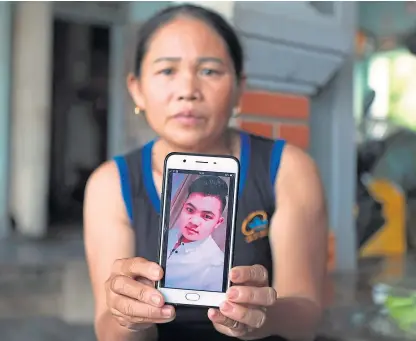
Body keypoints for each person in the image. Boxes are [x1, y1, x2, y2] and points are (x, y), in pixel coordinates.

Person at [84, 3, 328, 341]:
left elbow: (306, 318)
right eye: (167, 71)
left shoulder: (290, 169)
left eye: (210, 71)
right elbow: (109, 332)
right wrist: (129, 318)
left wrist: (262, 316)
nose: (188, 91)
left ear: (239, 89)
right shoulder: (109, 184)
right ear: (137, 88)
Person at [165, 175, 228, 292]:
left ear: (218, 222)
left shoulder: (217, 267)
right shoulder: (168, 235)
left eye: (207, 216)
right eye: (190, 210)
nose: (194, 221)